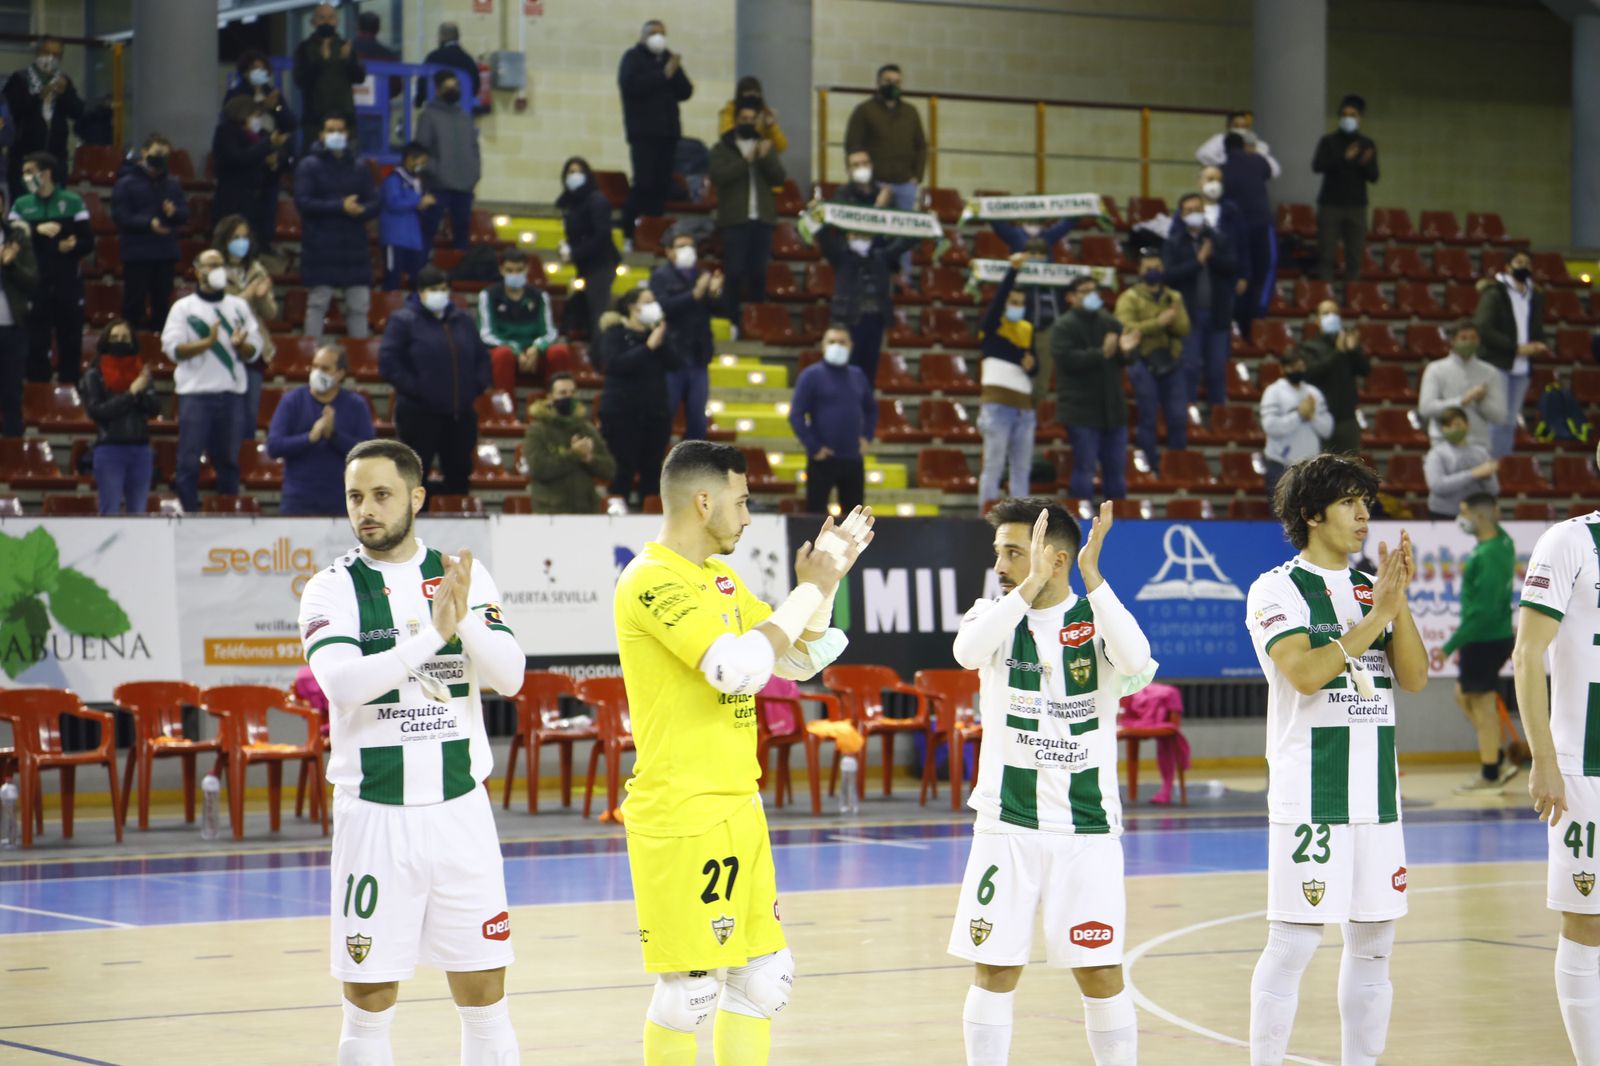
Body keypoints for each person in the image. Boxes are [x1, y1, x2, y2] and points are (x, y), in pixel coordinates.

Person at [612, 440, 870, 1066]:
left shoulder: (720, 578)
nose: (749, 515)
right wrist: (805, 592)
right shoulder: (650, 578)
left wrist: (826, 583)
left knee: (763, 982)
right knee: (690, 993)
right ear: (704, 502)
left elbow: (799, 656)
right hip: (682, 812)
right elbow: (734, 668)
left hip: (739, 805)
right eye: (742, 500)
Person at [296, 438, 523, 1066]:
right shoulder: (330, 588)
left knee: (486, 999)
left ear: (416, 498)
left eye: (381, 495)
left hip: (460, 813)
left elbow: (511, 676)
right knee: (368, 1004)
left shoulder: (460, 575)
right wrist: (434, 633)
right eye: (355, 497)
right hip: (374, 817)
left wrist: (464, 616)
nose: (366, 509)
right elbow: (342, 686)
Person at [949, 498, 1150, 1066]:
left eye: (1014, 552)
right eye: (1000, 552)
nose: (1001, 564)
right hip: (1005, 823)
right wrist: (1026, 584)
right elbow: (965, 653)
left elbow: (1136, 657)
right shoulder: (989, 616)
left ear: (1058, 558)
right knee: (994, 967)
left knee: (1100, 968)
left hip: (1085, 828)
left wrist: (1093, 576)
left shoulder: (1097, 621)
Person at [1245, 453, 1427, 1066]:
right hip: (1311, 792)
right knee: (1294, 942)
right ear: (1310, 514)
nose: (1363, 514)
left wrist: (1395, 604)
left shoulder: (1370, 589)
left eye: (1365, 502)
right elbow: (1303, 672)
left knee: (1375, 943)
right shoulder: (1276, 588)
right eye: (1349, 501)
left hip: (1376, 792)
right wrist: (1377, 615)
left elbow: (1416, 677)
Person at [1513, 459, 1600, 1065]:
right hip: (1585, 768)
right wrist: (1543, 757)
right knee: (1587, 925)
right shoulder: (1569, 541)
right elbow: (1527, 654)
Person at [161, 248, 264, 512]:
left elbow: (255, 349)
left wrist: (241, 347)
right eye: (209, 265)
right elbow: (173, 349)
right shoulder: (183, 308)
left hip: (231, 395)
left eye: (219, 264)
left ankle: (227, 513)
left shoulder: (238, 307)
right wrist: (207, 342)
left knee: (229, 460)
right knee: (189, 461)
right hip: (195, 395)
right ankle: (188, 514)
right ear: (197, 271)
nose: (215, 269)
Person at [378, 267, 492, 497]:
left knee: (459, 475)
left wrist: (475, 386)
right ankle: (415, 529)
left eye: (443, 289)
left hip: (460, 414)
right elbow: (389, 362)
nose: (439, 294)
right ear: (420, 292)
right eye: (433, 289)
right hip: (419, 414)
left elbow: (481, 357)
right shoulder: (404, 321)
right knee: (415, 479)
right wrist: (417, 390)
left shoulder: (462, 320)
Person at [1443, 492, 1517, 794]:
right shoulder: (1503, 541)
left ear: (1481, 516)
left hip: (1484, 638)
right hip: (1492, 635)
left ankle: (1490, 771)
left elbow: (1483, 612)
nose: (1461, 519)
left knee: (1482, 705)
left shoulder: (1488, 555)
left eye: (1464, 512)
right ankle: (1496, 757)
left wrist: (1450, 645)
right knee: (1463, 694)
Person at [1053, 276, 1140, 502]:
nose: (1092, 295)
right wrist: (1101, 354)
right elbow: (1066, 360)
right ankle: (1080, 525)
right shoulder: (1064, 325)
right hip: (1081, 412)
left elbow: (1126, 357)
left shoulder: (1109, 322)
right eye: (1085, 291)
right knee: (1084, 470)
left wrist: (1126, 351)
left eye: (1095, 290)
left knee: (1117, 475)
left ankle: (1119, 526)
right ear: (1071, 297)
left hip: (1113, 411)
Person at [266, 342, 375, 516]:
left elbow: (368, 454)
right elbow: (273, 447)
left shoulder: (356, 405)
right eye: (315, 366)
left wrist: (333, 435)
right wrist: (309, 438)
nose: (317, 373)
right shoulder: (292, 401)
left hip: (342, 502)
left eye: (325, 368)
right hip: (298, 501)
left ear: (340, 373)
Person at [295, 114, 378, 341]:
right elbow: (303, 203)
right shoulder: (309, 166)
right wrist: (340, 206)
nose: (336, 135)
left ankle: (359, 360)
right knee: (318, 304)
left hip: (354, 248)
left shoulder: (360, 167)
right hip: (320, 246)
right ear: (321, 135)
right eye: (331, 130)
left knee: (359, 306)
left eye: (340, 130)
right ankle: (311, 358)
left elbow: (374, 202)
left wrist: (362, 210)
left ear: (347, 134)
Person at [11, 151, 90, 386]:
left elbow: (88, 242)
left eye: (29, 172)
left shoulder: (73, 201)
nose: (24, 177)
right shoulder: (21, 205)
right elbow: (12, 240)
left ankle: (71, 398)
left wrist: (74, 245)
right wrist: (36, 230)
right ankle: (38, 397)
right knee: (36, 345)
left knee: (70, 343)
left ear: (45, 174)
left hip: (67, 284)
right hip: (35, 285)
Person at [709, 95, 787, 334]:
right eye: (744, 119)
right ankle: (731, 322)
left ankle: (757, 322)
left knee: (759, 274)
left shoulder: (765, 145)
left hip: (762, 220)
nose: (748, 123)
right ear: (735, 121)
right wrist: (746, 161)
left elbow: (779, 178)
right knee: (733, 273)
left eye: (753, 120)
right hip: (735, 220)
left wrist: (764, 159)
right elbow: (718, 177)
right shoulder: (721, 148)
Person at [844, 64, 926, 284]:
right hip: (876, 184)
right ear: (878, 83)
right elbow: (853, 145)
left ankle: (904, 279)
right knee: (875, 232)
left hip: (905, 183)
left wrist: (917, 175)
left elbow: (921, 146)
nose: (893, 86)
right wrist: (864, 181)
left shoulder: (910, 112)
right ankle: (870, 275)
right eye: (888, 81)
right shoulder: (864, 111)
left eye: (897, 82)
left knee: (905, 233)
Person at [817, 220, 919, 391]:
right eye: (857, 235)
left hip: (875, 322)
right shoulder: (841, 257)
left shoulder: (881, 257)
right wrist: (818, 217)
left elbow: (903, 244)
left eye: (865, 236)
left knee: (867, 372)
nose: (861, 240)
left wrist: (923, 223)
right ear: (848, 237)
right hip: (848, 323)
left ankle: (863, 409)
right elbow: (824, 238)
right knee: (844, 369)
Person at [975, 255, 1043, 507]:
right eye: (1012, 302)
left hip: (1024, 409)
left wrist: (1032, 365)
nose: (1017, 306)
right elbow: (995, 305)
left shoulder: (1027, 329)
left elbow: (1035, 365)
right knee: (993, 465)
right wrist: (1012, 272)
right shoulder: (992, 327)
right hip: (997, 406)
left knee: (1021, 469)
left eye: (1021, 303)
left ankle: (1022, 521)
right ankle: (986, 519)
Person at [617, 19, 693, 244]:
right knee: (644, 183)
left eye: (662, 33)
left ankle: (654, 234)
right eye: (653, 33)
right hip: (643, 134)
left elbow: (685, 91)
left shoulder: (668, 59)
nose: (658, 37)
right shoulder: (632, 58)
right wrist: (663, 75)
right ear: (643, 36)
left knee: (662, 187)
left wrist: (674, 71)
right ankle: (630, 232)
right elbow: (632, 87)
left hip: (667, 134)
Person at [597, 288, 672, 507]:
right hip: (622, 414)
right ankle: (616, 516)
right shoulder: (615, 334)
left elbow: (676, 362)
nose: (653, 306)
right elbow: (614, 365)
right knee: (623, 469)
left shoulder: (656, 336)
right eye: (647, 301)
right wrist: (648, 347)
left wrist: (660, 338)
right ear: (632, 307)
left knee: (653, 470)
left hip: (655, 414)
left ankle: (649, 515)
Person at [790, 324, 875, 514]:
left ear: (851, 345)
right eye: (832, 342)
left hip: (853, 459)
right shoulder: (811, 375)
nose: (837, 346)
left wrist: (867, 437)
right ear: (823, 345)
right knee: (816, 517)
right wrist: (813, 446)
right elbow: (796, 414)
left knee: (854, 520)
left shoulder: (858, 375)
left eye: (842, 342)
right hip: (823, 459)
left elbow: (871, 409)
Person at [1115, 252, 1190, 467]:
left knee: (1178, 418)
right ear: (1139, 271)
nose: (1153, 272)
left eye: (1157, 267)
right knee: (1147, 417)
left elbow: (1184, 327)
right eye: (1148, 268)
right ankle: (1149, 467)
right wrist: (1159, 322)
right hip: (1142, 362)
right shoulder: (1129, 297)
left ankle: (1177, 466)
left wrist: (1169, 321)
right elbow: (1126, 328)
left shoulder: (1173, 297)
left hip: (1171, 361)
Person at [1163, 192, 1237, 410]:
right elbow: (1169, 275)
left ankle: (1218, 415)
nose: (1194, 214)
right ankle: (1189, 414)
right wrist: (1198, 262)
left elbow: (1233, 268)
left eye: (1198, 209)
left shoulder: (1220, 239)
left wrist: (1211, 257)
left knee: (1216, 369)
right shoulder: (1173, 243)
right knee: (1190, 367)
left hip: (1217, 314)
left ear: (1204, 211)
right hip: (1188, 316)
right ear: (1181, 215)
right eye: (1189, 211)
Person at [1475, 249, 1550, 458]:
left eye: (1527, 262)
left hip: (1522, 368)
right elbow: (1483, 327)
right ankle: (1485, 462)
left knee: (1509, 421)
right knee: (1495, 418)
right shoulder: (1495, 292)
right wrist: (1515, 348)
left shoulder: (1534, 295)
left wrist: (1539, 344)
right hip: (1498, 363)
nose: (1524, 266)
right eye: (1519, 261)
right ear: (1507, 266)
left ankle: (1499, 465)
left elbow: (1536, 328)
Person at [80, 320, 159, 515]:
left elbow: (154, 408)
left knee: (138, 512)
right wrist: (131, 393)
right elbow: (98, 412)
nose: (120, 341)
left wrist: (140, 391)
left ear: (133, 342)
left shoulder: (142, 374)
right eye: (115, 337)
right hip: (110, 449)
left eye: (124, 337)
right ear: (106, 341)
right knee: (109, 510)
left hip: (141, 450)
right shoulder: (94, 375)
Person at [649, 228, 721, 441]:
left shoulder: (702, 274)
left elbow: (719, 310)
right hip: (672, 355)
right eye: (681, 246)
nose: (687, 250)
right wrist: (694, 295)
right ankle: (657, 463)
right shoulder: (660, 276)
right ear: (668, 251)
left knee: (698, 418)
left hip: (698, 355)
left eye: (690, 246)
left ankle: (693, 465)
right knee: (666, 414)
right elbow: (662, 307)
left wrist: (714, 294)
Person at [112, 133, 188, 331]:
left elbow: (184, 214)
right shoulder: (125, 183)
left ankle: (160, 350)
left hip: (165, 253)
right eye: (156, 152)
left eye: (164, 154)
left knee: (162, 306)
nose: (160, 157)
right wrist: (148, 223)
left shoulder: (173, 184)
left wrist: (174, 212)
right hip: (137, 253)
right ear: (144, 152)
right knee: (133, 305)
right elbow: (121, 216)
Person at [224, 51, 297, 254]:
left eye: (263, 68)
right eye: (255, 68)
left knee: (269, 208)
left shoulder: (274, 93)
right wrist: (261, 106)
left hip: (271, 164)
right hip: (248, 164)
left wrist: (276, 108)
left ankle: (266, 243)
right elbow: (232, 119)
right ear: (245, 72)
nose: (260, 72)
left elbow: (290, 123)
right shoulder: (236, 93)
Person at [213, 214, 278, 433]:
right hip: (223, 350)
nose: (242, 242)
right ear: (224, 240)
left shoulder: (257, 270)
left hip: (253, 349)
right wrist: (250, 293)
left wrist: (262, 296)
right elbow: (222, 309)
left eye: (245, 237)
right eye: (235, 237)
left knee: (249, 415)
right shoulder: (214, 272)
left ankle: (246, 461)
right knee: (225, 416)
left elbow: (270, 313)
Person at [523, 371, 614, 515]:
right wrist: (574, 455)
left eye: (572, 393)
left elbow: (609, 469)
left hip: (586, 512)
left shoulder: (586, 428)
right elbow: (538, 468)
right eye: (563, 393)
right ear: (550, 397)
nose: (568, 397)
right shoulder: (537, 430)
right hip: (550, 514)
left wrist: (589, 459)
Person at [3, 37, 81, 202]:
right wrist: (40, 95)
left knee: (53, 203)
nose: (50, 58)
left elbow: (77, 112)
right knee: (26, 202)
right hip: (25, 158)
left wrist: (65, 93)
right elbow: (13, 111)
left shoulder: (63, 81)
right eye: (47, 53)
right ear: (38, 53)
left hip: (55, 158)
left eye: (56, 55)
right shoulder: (20, 79)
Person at [1313, 94, 1379, 285]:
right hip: (1330, 204)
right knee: (1326, 254)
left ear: (1360, 117)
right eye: (1344, 114)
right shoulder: (1328, 141)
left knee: (1355, 256)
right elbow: (1317, 166)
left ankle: (1353, 297)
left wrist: (1364, 164)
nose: (1348, 118)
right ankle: (1325, 296)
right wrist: (1344, 158)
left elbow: (1374, 177)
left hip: (1357, 206)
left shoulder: (1367, 144)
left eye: (1352, 114)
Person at [478, 247, 566, 392]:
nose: (514, 274)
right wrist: (515, 350)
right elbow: (486, 334)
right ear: (501, 270)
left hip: (533, 351)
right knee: (503, 354)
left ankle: (556, 406)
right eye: (510, 270)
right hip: (505, 351)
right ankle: (506, 412)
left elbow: (550, 332)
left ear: (527, 269)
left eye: (519, 270)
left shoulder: (539, 296)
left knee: (559, 352)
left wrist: (537, 347)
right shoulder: (488, 295)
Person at [557, 156, 619, 343]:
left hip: (600, 265)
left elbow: (601, 236)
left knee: (597, 315)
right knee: (584, 312)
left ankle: (601, 359)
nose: (574, 176)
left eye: (578, 171)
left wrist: (574, 253)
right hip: (585, 266)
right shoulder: (571, 203)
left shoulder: (597, 201)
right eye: (570, 172)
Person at [416, 71, 479, 251]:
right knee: (428, 233)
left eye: (455, 86)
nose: (452, 90)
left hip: (464, 187)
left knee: (462, 236)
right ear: (438, 90)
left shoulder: (465, 119)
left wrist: (474, 174)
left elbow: (475, 149)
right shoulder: (428, 116)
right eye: (447, 86)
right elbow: (421, 150)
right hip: (437, 187)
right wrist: (435, 172)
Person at [1417, 321, 1505, 450]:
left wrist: (1481, 401)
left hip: (1478, 445)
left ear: (1479, 341)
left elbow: (1499, 417)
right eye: (1463, 338)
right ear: (1453, 341)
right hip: (1443, 443)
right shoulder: (1435, 369)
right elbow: (1426, 408)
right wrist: (1461, 401)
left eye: (1473, 338)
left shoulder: (1490, 373)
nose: (1468, 342)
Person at [1297, 300, 1369, 456]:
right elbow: (1310, 374)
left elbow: (1365, 371)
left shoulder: (1347, 343)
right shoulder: (1309, 347)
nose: (1331, 316)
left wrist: (1354, 350)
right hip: (1320, 418)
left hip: (1347, 419)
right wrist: (1337, 352)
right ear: (1317, 319)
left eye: (1335, 313)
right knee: (1322, 471)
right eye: (1326, 313)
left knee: (1351, 470)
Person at [1259, 350, 1333, 498]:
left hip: (1310, 466)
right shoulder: (1273, 392)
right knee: (1281, 514)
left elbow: (1327, 429)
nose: (1298, 370)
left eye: (1301, 366)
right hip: (1281, 464)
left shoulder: (1314, 393)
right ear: (1283, 368)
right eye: (1293, 367)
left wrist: (1312, 416)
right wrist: (1299, 415)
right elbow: (1270, 426)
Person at [1221, 132, 1274, 335]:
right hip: (1261, 225)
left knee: (1241, 277)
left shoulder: (1222, 169)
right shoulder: (1258, 161)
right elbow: (1269, 172)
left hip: (1236, 229)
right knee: (1261, 275)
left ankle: (1237, 322)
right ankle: (1255, 320)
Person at [292, 4, 365, 148]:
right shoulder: (305, 48)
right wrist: (320, 60)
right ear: (313, 22)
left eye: (331, 17)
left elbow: (359, 77)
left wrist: (348, 61)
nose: (327, 22)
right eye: (322, 18)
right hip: (315, 119)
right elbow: (300, 80)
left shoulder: (345, 46)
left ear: (337, 21)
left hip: (344, 116)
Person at [1423, 406, 1498, 521]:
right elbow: (1437, 485)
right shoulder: (1436, 454)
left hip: (1475, 516)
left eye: (1457, 424)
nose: (1453, 429)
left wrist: (1487, 478)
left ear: (1467, 425)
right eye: (1448, 426)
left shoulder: (1481, 453)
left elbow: (1494, 490)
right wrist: (1473, 474)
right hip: (1443, 514)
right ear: (1442, 429)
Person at [0, 192, 35, 438]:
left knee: (12, 394)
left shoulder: (17, 237)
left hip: (12, 329)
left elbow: (32, 280)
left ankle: (13, 455)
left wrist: (10, 264)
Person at [378, 141, 433, 292]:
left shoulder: (418, 181)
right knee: (393, 279)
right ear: (410, 159)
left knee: (416, 282)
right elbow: (393, 203)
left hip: (413, 239)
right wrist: (418, 201)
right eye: (422, 161)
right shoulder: (393, 179)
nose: (423, 165)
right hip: (395, 238)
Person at [351, 11, 401, 157]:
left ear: (358, 27)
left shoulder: (347, 51)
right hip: (378, 114)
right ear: (377, 29)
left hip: (350, 113)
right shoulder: (387, 54)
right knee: (375, 160)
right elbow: (396, 87)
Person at [1196, 110, 1282, 177]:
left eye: (1244, 127)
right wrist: (1227, 166)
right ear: (1228, 126)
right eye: (1236, 126)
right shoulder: (1220, 139)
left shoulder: (1257, 144)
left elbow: (1275, 170)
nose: (1241, 130)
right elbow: (1203, 154)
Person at [717, 76, 788, 153]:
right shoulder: (730, 110)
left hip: (759, 160)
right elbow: (726, 136)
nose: (749, 121)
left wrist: (771, 126)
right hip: (734, 156)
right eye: (744, 119)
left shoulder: (764, 113)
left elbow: (780, 147)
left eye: (753, 119)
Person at [416, 21, 480, 106]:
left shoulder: (433, 57)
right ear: (458, 37)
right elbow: (475, 86)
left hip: (437, 110)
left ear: (442, 36)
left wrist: (419, 101)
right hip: (461, 112)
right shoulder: (468, 60)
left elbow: (422, 83)